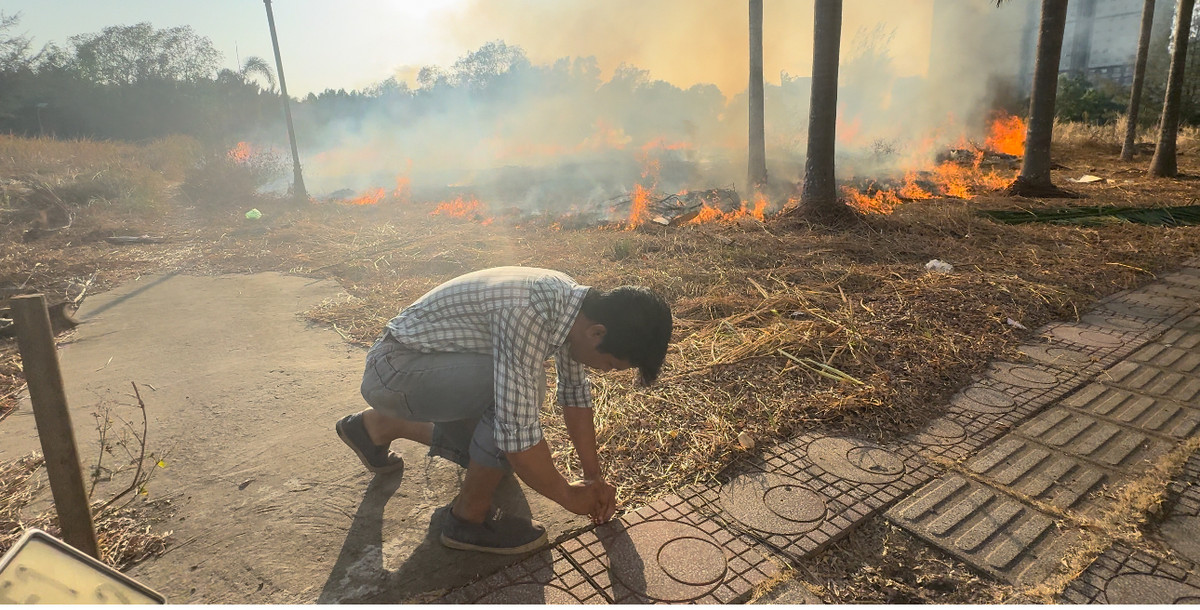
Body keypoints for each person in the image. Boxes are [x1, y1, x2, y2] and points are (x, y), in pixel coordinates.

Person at [335, 266, 673, 555]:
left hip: (419, 366)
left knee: (497, 455)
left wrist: (593, 477)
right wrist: (568, 496)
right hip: (393, 370)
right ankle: (468, 519)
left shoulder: (575, 310)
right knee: (519, 395)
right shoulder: (529, 312)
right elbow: (517, 432)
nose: (605, 371)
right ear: (597, 333)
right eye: (611, 364)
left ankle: (376, 427)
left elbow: (574, 395)